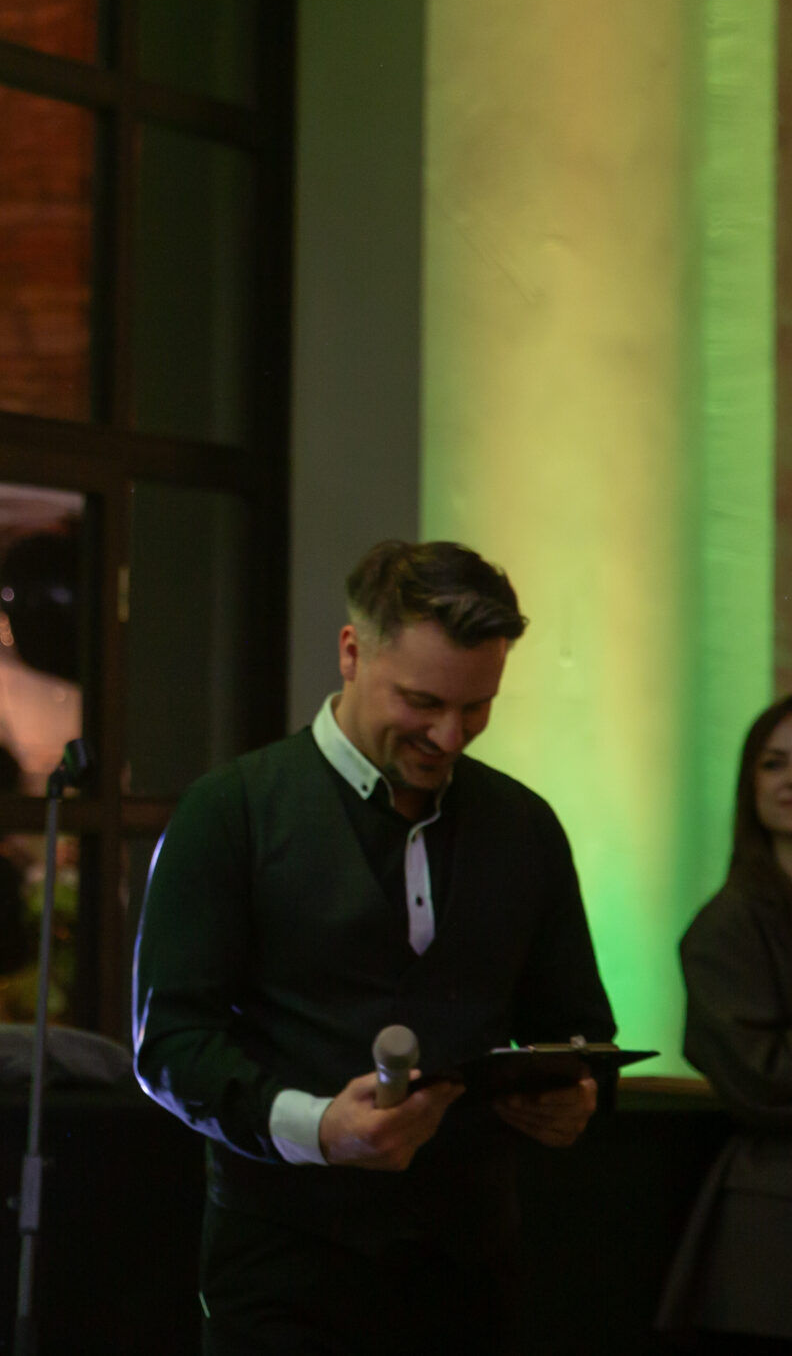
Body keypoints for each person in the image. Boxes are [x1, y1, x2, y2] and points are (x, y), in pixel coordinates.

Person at [132, 539, 615, 1354]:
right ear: (352, 652)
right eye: (423, 701)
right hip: (284, 1276)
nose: (451, 735)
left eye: (478, 706)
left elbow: (580, 1030)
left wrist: (578, 1095)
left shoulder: (526, 826)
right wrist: (320, 1128)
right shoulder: (231, 811)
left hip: (470, 1276)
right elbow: (171, 1045)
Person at [659, 694, 792, 1349]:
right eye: (773, 762)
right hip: (775, 1225)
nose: (790, 779)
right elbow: (764, 1082)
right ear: (750, 784)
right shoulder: (726, 927)